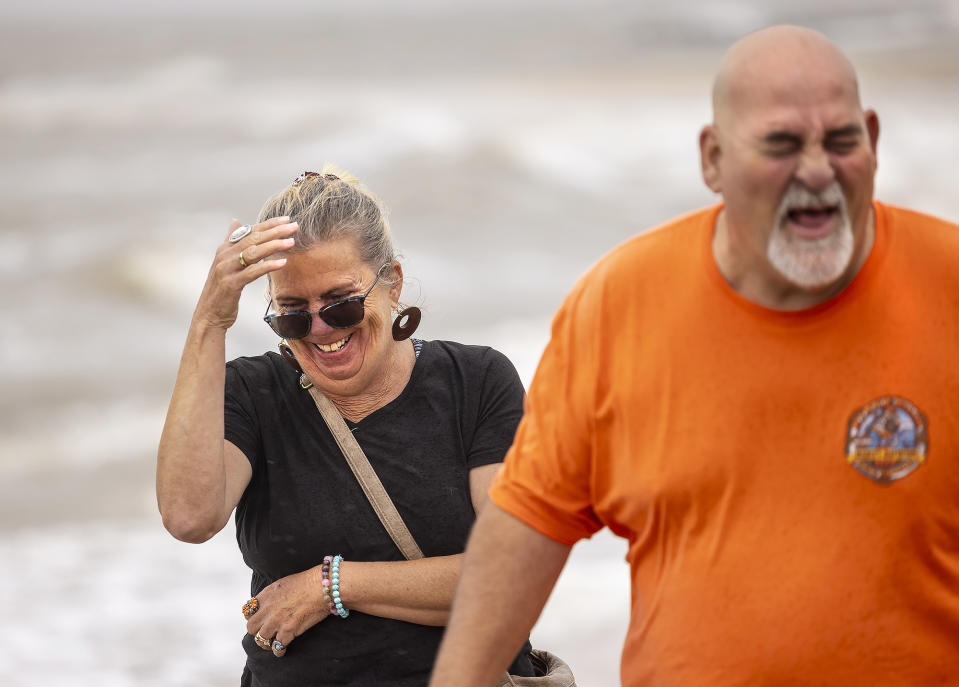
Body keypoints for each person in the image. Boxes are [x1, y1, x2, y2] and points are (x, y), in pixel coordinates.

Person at [430, 25, 959, 687]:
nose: (818, 169)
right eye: (782, 143)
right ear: (712, 158)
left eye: (841, 140)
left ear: (873, 141)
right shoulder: (617, 304)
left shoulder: (949, 286)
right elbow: (528, 523)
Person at [156, 167, 535, 685]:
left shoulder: (477, 382)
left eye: (342, 304)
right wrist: (209, 322)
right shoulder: (252, 394)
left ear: (393, 283)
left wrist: (331, 585)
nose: (319, 329)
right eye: (291, 314)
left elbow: (511, 577)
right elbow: (188, 517)